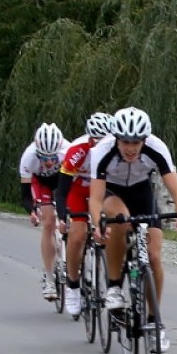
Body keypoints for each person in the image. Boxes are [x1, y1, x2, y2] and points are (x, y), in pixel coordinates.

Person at [88, 106, 177, 352]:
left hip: (142, 192)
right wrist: (96, 223)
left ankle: (154, 323)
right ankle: (113, 286)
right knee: (120, 221)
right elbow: (95, 198)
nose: (131, 148)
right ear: (116, 138)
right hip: (112, 192)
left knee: (153, 257)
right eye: (125, 142)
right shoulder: (103, 151)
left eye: (136, 142)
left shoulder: (157, 147)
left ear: (145, 139)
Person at [54, 112, 113, 317]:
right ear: (89, 138)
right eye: (94, 142)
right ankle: (72, 285)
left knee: (111, 230)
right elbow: (61, 191)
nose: (99, 147)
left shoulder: (115, 150)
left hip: (103, 191)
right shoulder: (77, 151)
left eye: (103, 142)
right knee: (77, 235)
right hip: (78, 190)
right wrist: (63, 216)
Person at [19, 122, 70, 301]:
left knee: (72, 219)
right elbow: (25, 195)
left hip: (63, 179)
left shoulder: (68, 150)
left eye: (53, 158)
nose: (49, 162)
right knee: (48, 223)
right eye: (44, 157)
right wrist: (32, 211)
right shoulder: (28, 157)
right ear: (37, 151)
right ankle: (49, 279)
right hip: (41, 183)